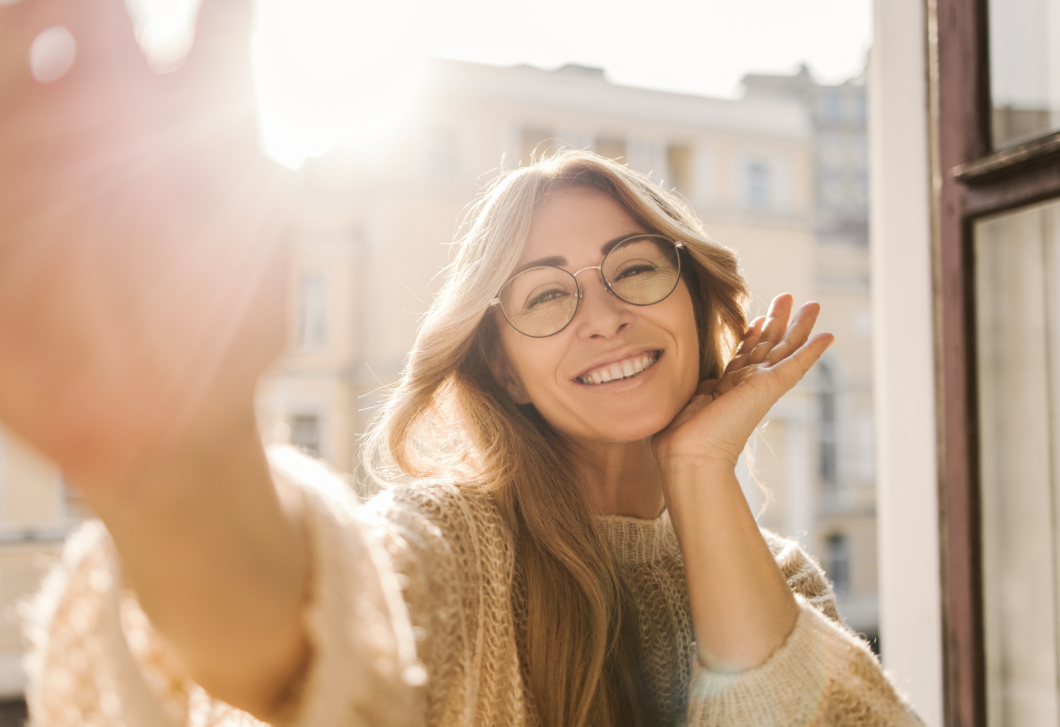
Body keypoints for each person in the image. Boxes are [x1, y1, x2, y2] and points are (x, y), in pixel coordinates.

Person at [2, 2, 920, 725]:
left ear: (693, 298)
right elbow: (303, 644)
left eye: (635, 269)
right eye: (546, 295)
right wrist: (179, 459)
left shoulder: (783, 578)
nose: (602, 315)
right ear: (506, 367)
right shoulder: (456, 547)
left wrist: (698, 465)